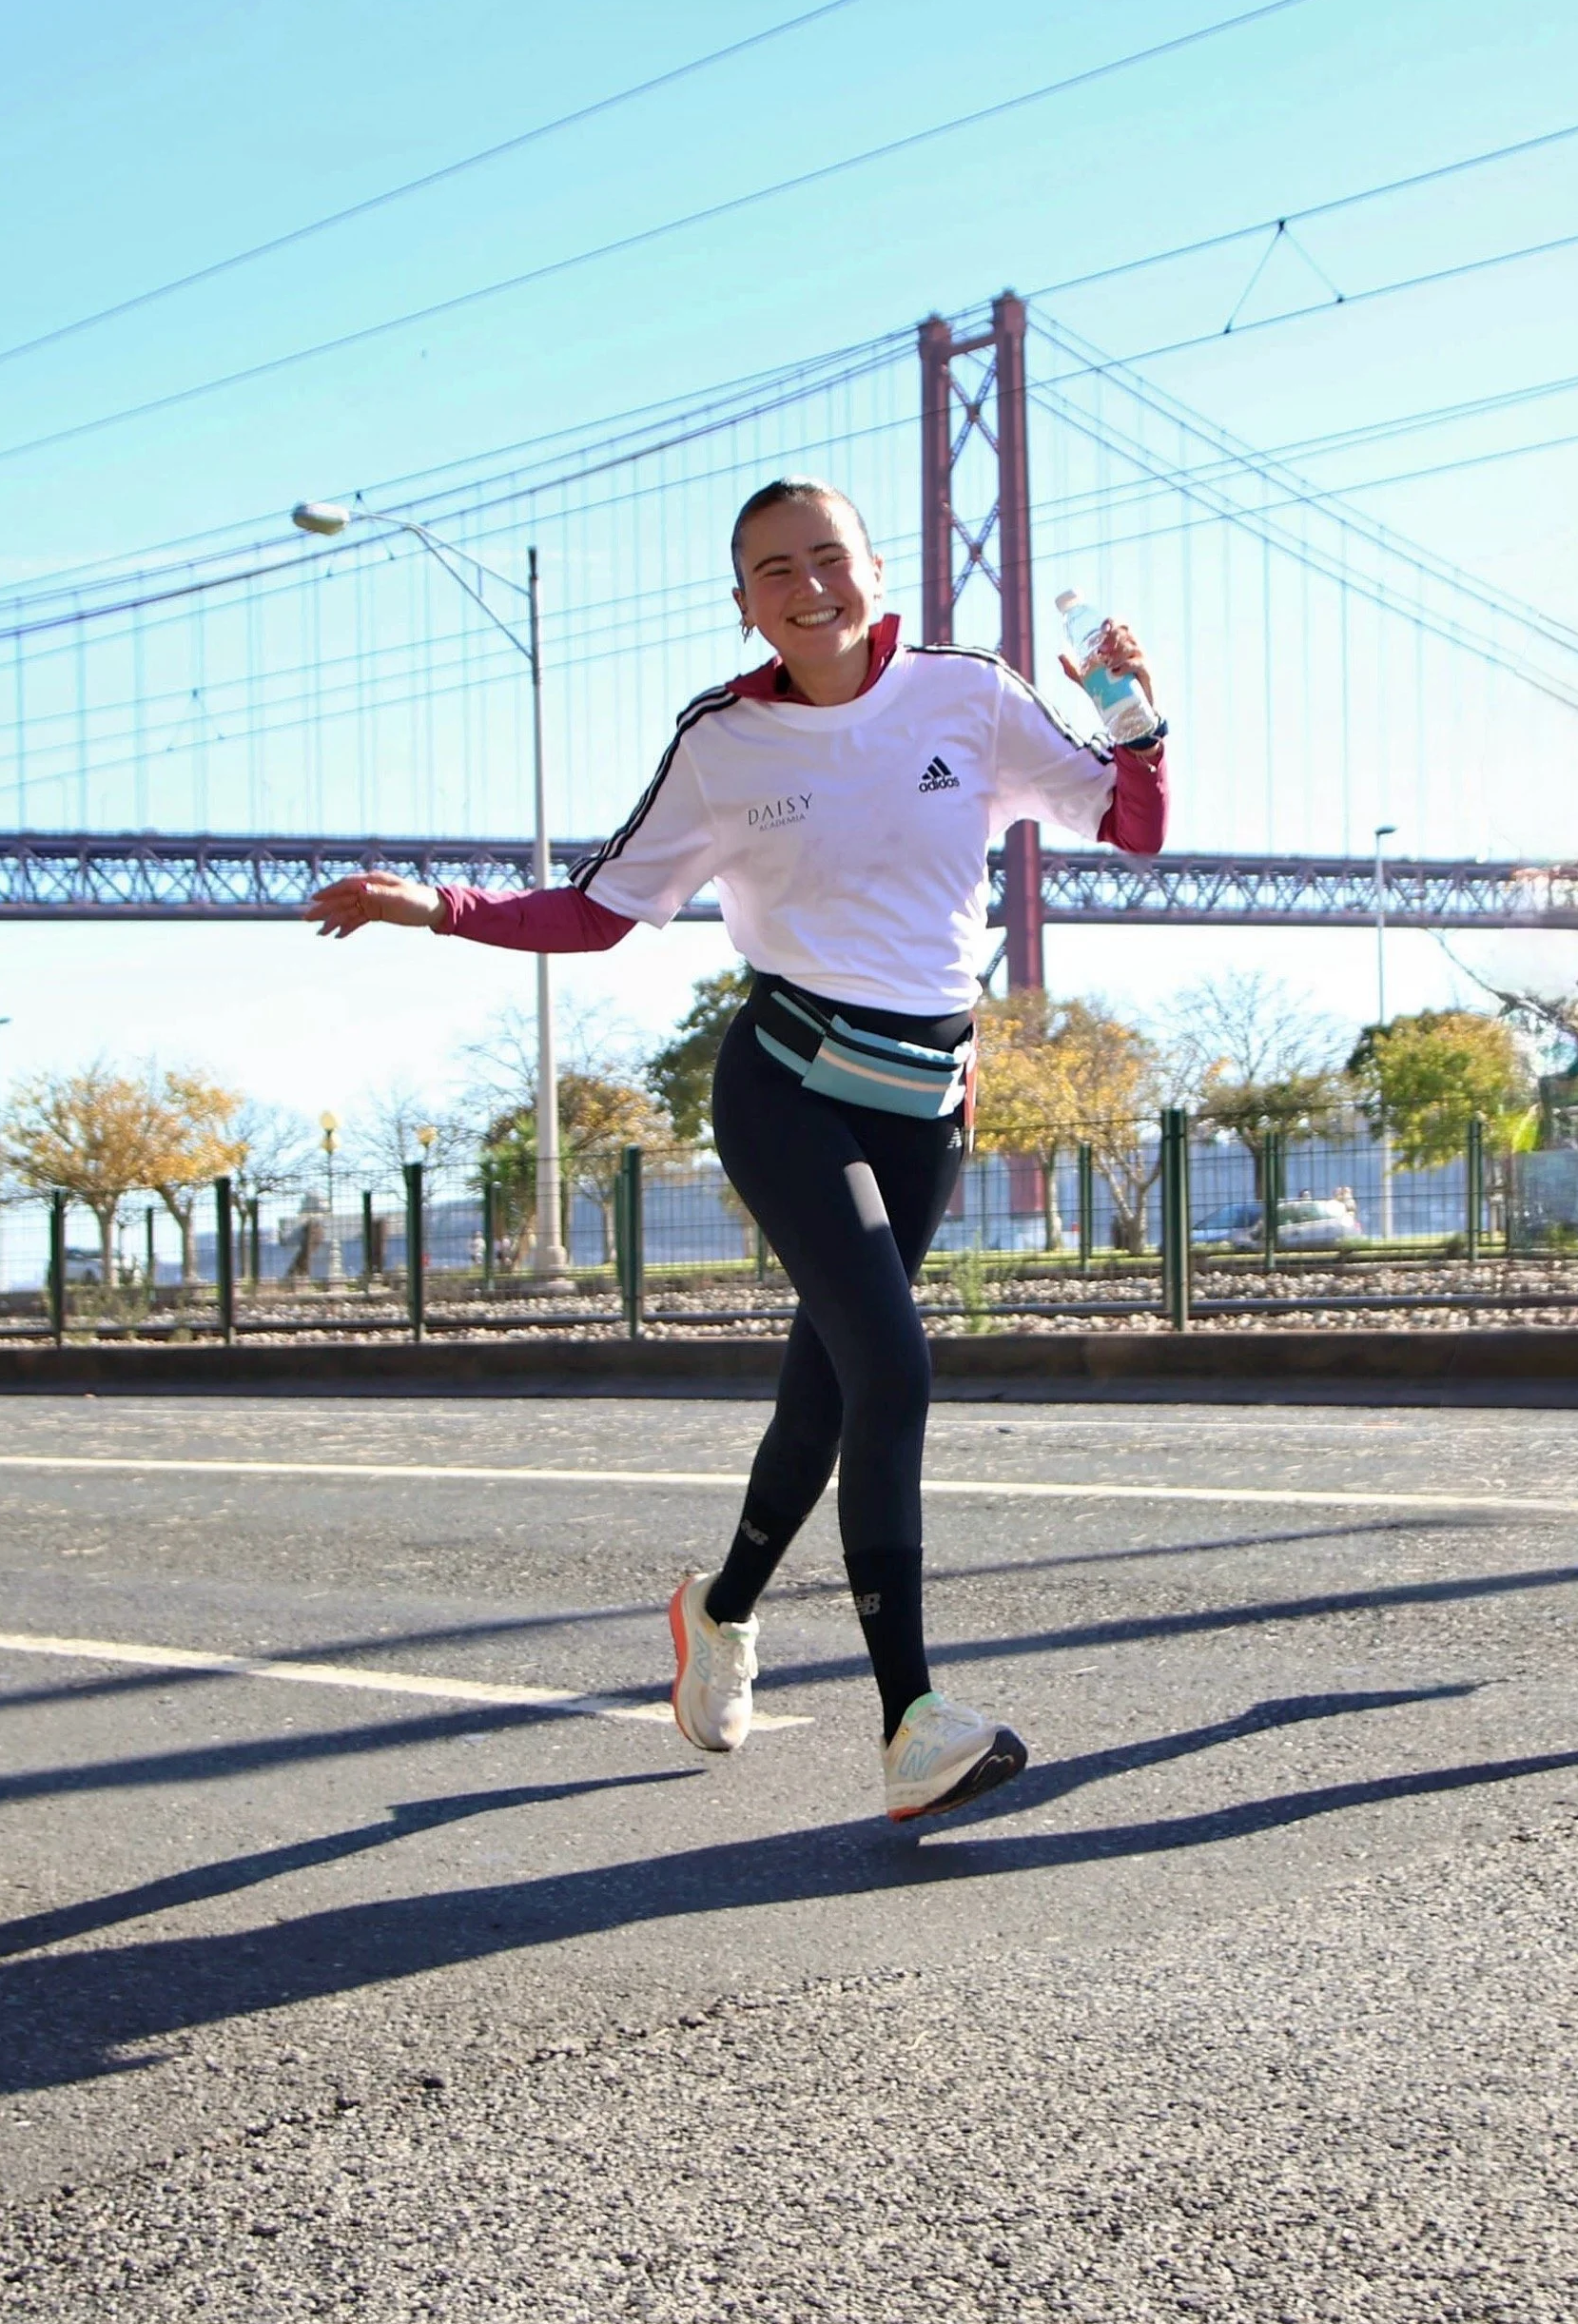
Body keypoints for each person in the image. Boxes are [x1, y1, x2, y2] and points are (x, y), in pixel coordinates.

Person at [306, 478, 1168, 1822]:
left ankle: (718, 1610)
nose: (807, 584)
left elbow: (1131, 822)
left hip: (928, 1097)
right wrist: (438, 907)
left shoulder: (971, 694)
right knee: (894, 1365)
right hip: (787, 1081)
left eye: (830, 556)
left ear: (878, 571)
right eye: (775, 569)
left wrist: (1136, 716)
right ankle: (913, 1724)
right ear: (744, 601)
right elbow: (599, 912)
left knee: (828, 1396)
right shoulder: (723, 741)